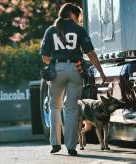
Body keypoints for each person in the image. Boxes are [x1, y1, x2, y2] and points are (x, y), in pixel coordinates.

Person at [40, 3, 106, 155]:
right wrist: (101, 73)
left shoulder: (51, 30)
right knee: (71, 108)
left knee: (55, 107)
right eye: (78, 16)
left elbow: (44, 57)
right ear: (71, 14)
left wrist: (57, 64)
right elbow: (91, 53)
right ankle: (71, 146)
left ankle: (55, 144)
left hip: (57, 70)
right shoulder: (79, 30)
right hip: (75, 70)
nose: (79, 19)